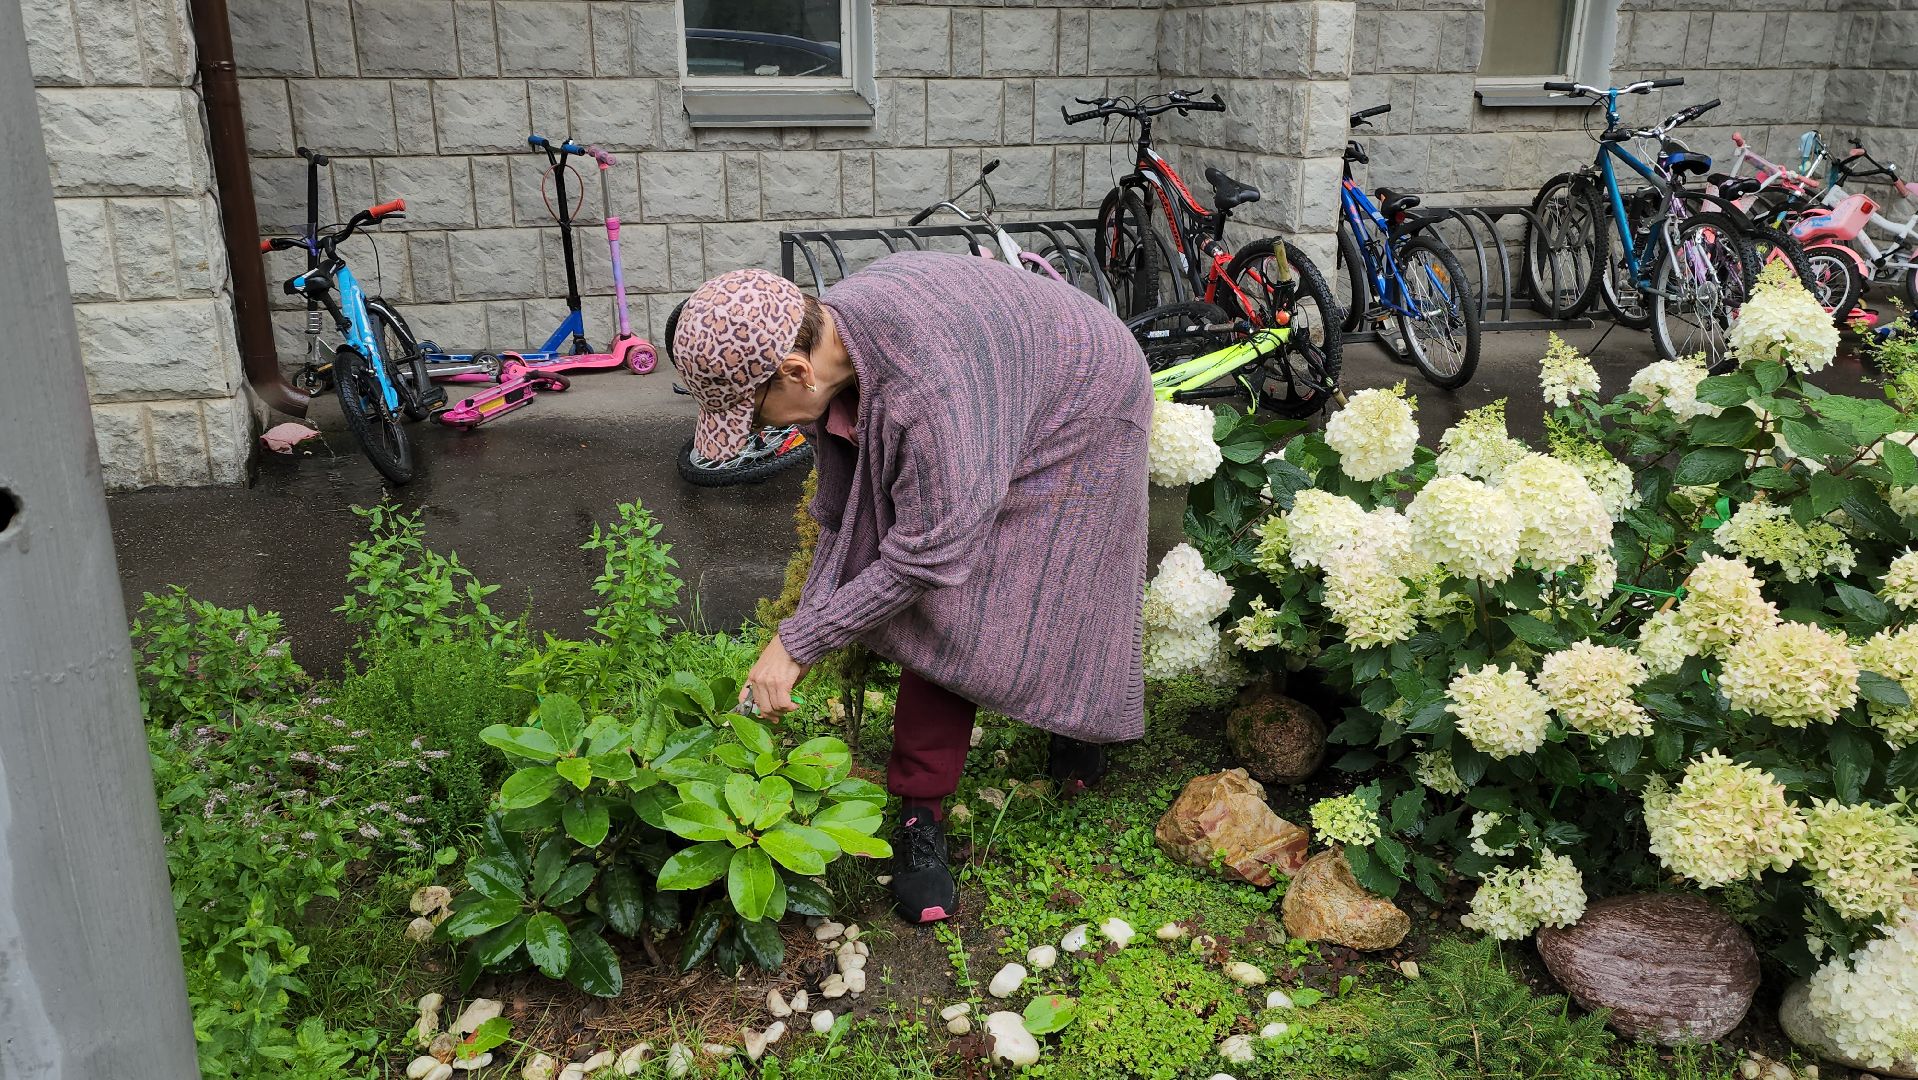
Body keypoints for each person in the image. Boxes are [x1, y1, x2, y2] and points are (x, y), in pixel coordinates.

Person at [668, 253, 1152, 924]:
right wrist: (805, 625)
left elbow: (930, 557)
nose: (760, 431)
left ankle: (1041, 745)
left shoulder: (929, 397)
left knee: (1006, 593)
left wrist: (799, 640)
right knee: (956, 579)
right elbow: (849, 518)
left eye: (755, 415)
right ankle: (933, 797)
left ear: (797, 371)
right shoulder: (832, 338)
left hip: (1088, 393)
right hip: (1003, 372)